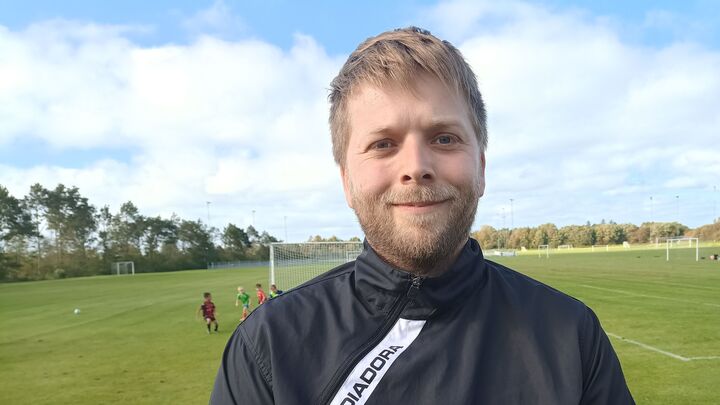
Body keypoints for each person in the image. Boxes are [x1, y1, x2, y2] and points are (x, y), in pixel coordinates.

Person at [211, 27, 634, 404]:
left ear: (481, 168)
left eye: (444, 138)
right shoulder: (268, 347)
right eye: (383, 144)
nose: (416, 166)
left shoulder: (570, 335)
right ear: (346, 182)